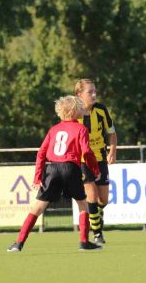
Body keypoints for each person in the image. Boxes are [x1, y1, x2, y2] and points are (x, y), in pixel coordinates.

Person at [7, 95, 102, 252]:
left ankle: (18, 243)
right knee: (83, 205)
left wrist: (37, 177)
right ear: (73, 111)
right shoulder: (81, 129)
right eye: (80, 107)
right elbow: (86, 151)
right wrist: (95, 169)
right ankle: (84, 242)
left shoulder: (54, 129)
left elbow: (41, 153)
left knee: (38, 208)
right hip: (71, 168)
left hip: (52, 169)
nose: (83, 109)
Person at [75, 79, 117, 244]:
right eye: (90, 92)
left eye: (95, 91)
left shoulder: (101, 110)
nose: (94, 95)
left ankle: (96, 218)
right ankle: (97, 234)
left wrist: (112, 151)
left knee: (103, 200)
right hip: (82, 160)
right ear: (79, 94)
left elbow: (111, 133)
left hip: (100, 158)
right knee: (91, 195)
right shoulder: (74, 112)